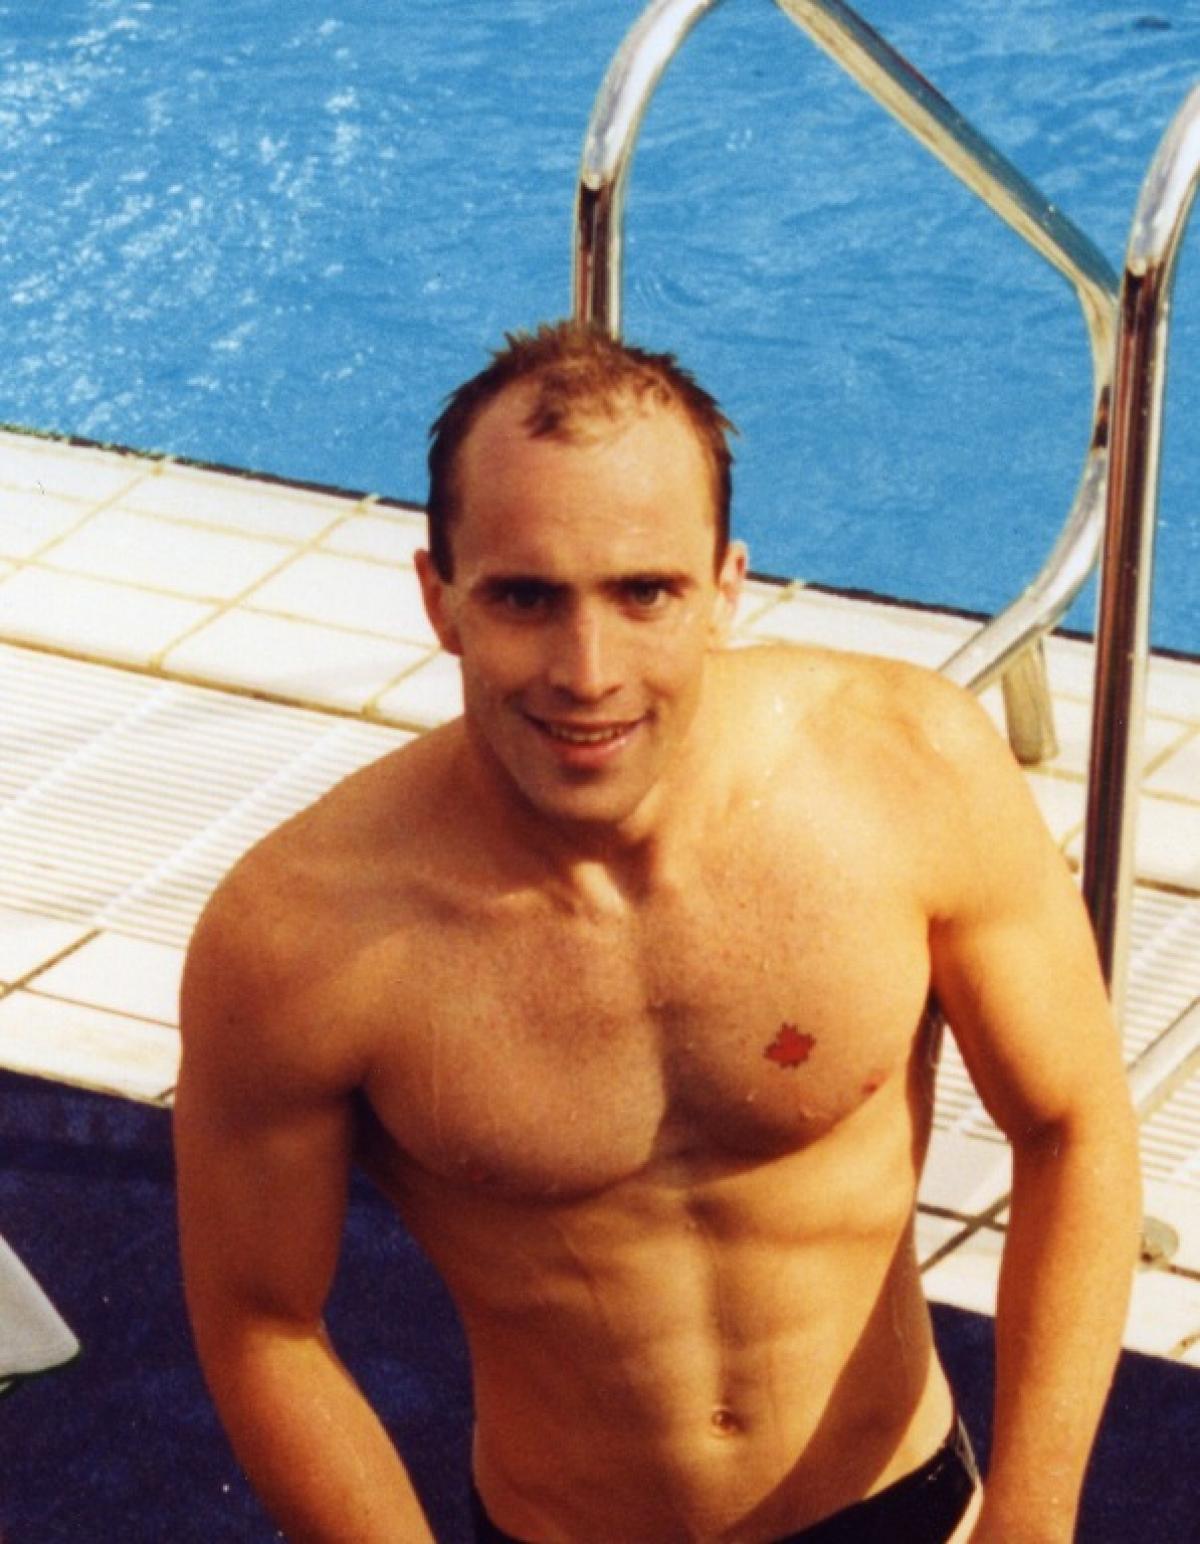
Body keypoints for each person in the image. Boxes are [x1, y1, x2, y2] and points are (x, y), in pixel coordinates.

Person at [174, 322, 1142, 1543]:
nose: (588, 670)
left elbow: (1073, 1124)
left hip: (907, 1507)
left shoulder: (909, 769)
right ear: (440, 598)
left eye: (645, 593)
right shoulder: (302, 933)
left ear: (726, 587)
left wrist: (1035, 1519)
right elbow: (261, 1319)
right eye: (527, 596)